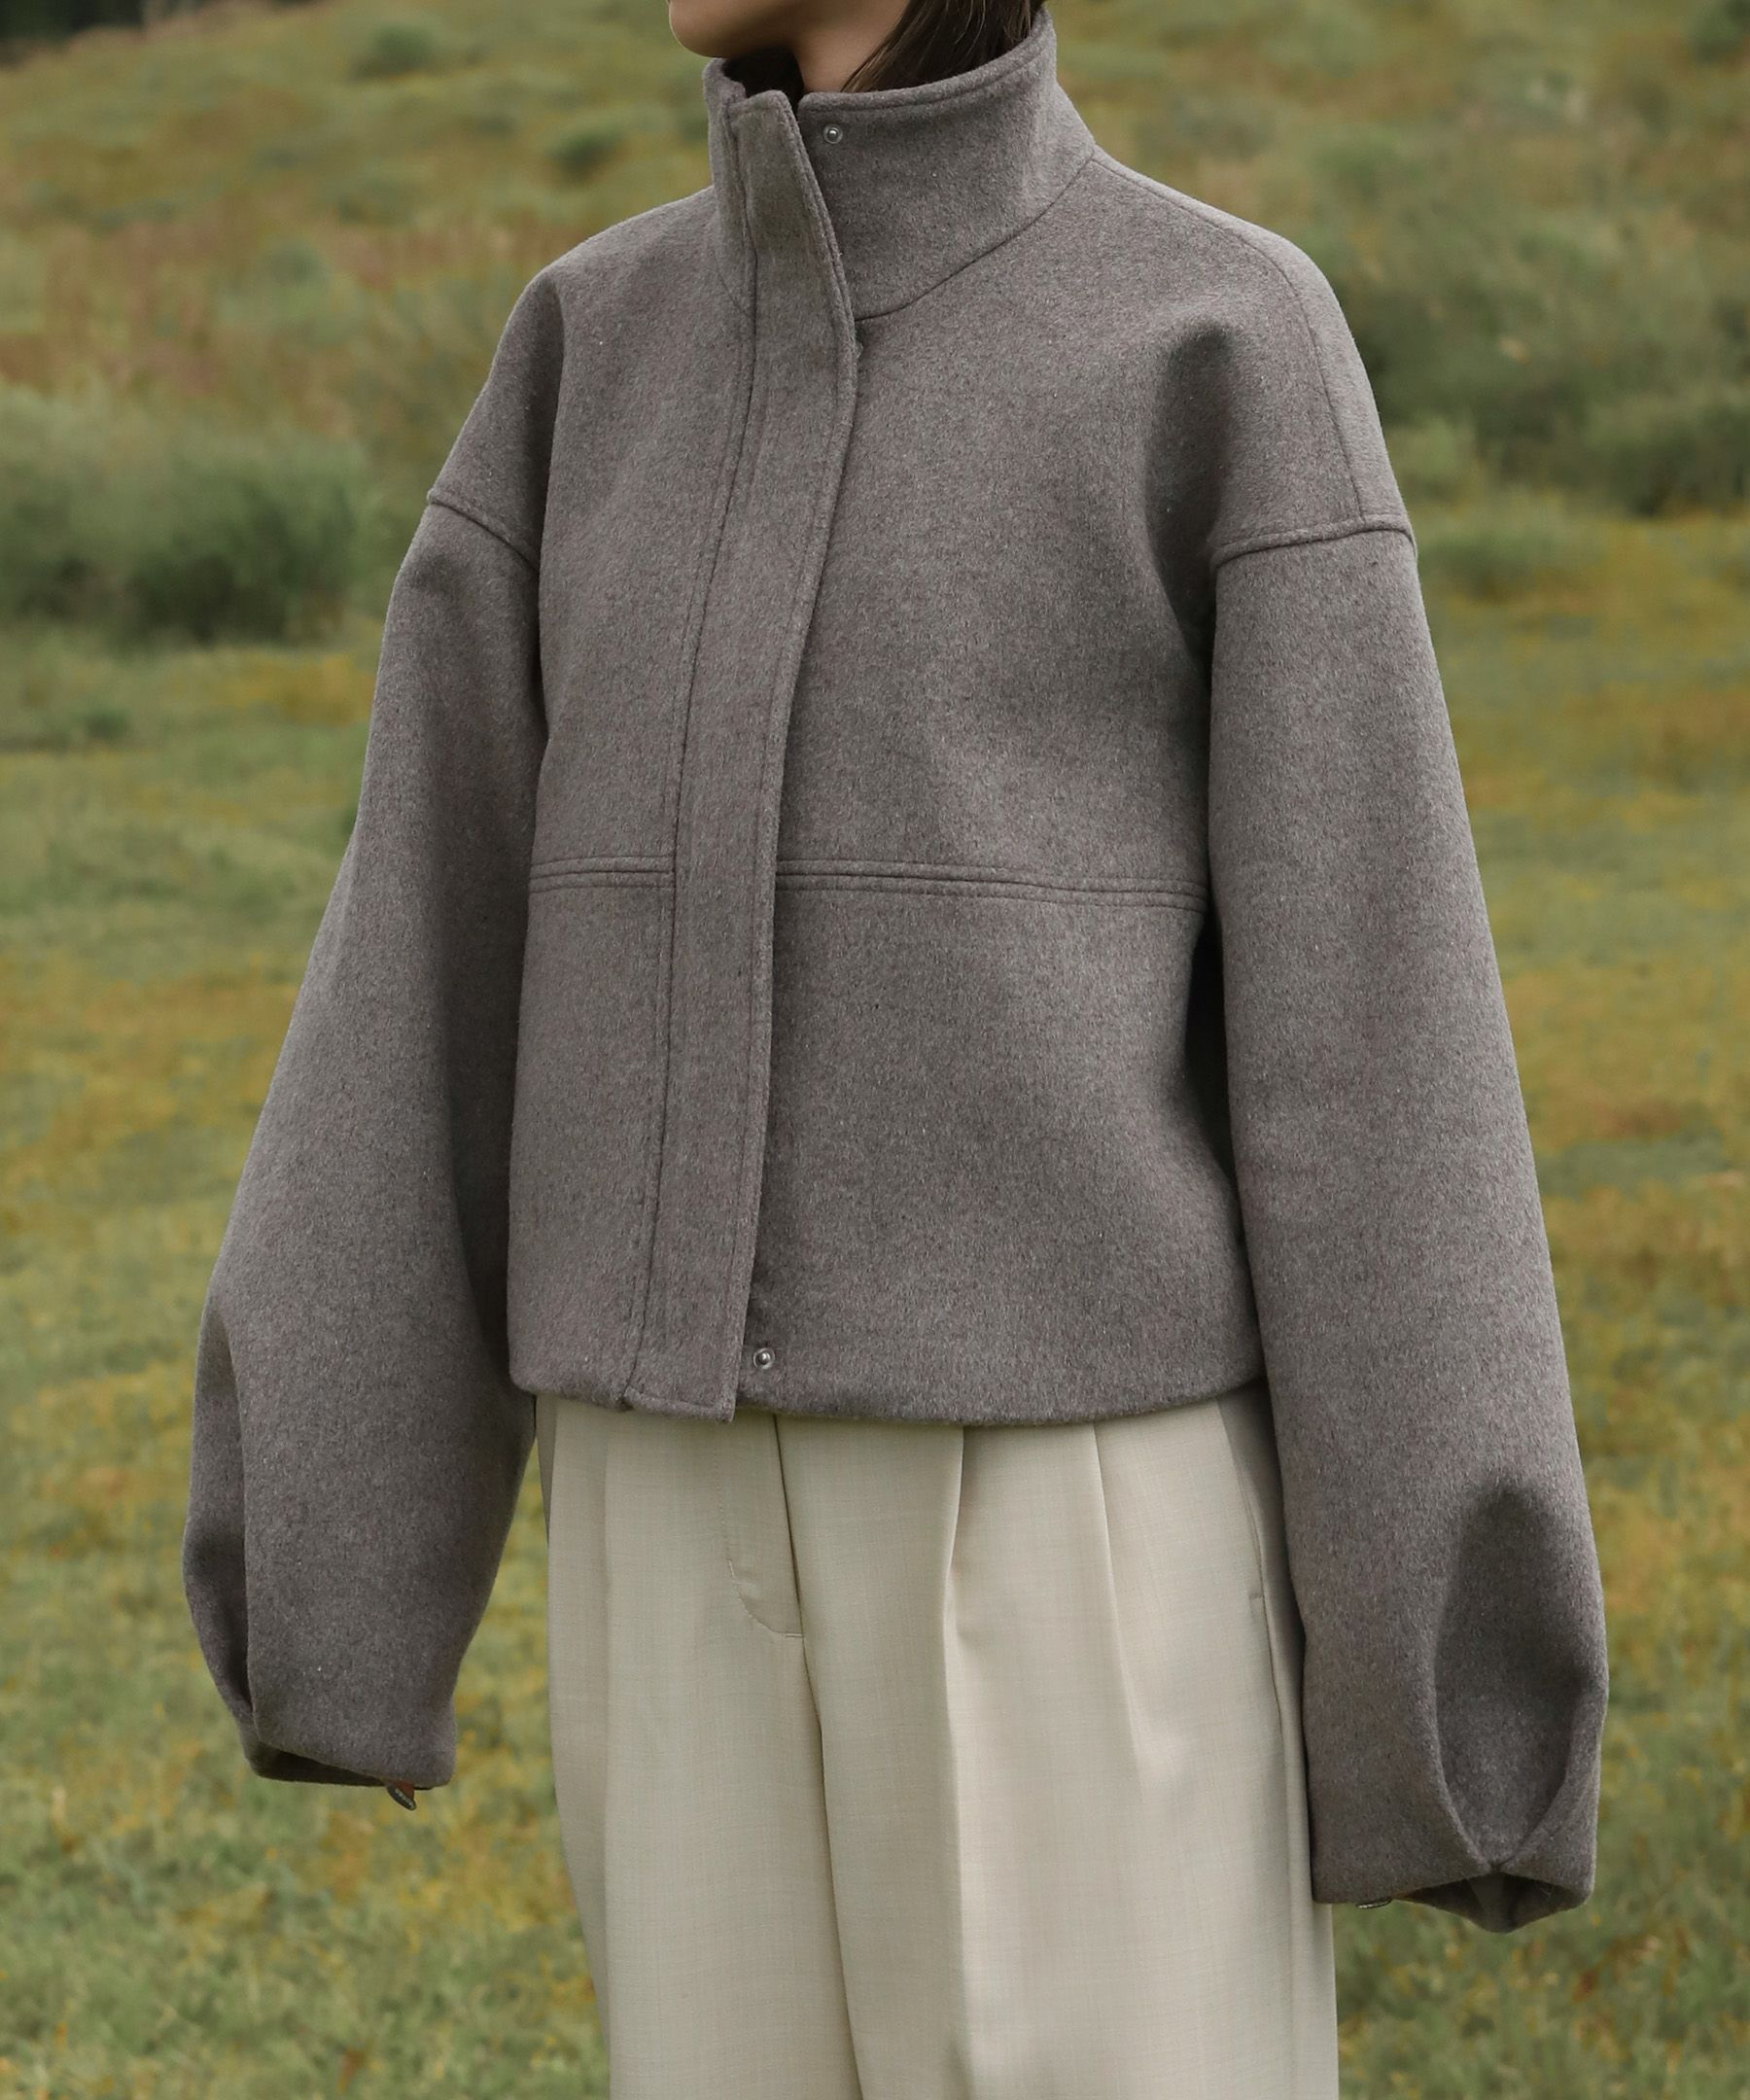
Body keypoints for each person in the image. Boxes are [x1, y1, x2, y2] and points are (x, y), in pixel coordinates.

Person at [181, 0, 1610, 2092]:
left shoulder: (1215, 336)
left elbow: (1375, 1045)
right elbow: (426, 960)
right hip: (658, 1518)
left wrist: (1455, 1677)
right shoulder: (589, 350)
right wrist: (329, 1565)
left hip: (1069, 1526)